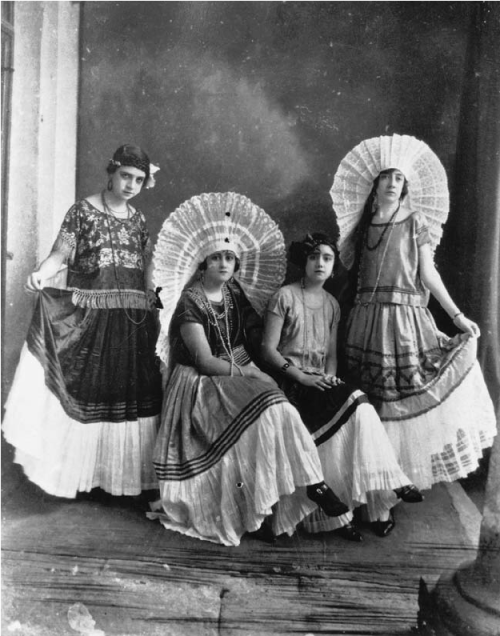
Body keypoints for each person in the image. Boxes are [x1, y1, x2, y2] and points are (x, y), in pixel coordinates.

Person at [147, 192, 349, 547]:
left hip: (239, 367)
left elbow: (256, 335)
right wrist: (254, 373)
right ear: (202, 263)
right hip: (201, 382)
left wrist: (285, 359)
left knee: (281, 408)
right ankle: (274, 502)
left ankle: (307, 488)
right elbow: (206, 361)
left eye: (229, 257)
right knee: (268, 412)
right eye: (216, 258)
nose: (224, 264)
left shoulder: (233, 293)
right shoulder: (189, 302)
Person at [330, 133, 496, 494]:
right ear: (376, 182)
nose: (393, 183)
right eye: (387, 176)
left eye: (399, 178)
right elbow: (355, 272)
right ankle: (371, 489)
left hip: (403, 320)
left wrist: (456, 317)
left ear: (406, 186)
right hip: (364, 320)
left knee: (398, 401)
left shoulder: (414, 220)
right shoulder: (363, 224)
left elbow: (427, 273)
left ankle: (394, 484)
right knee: (370, 401)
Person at [2, 144, 163, 498]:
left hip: (130, 318)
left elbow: (146, 269)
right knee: (88, 390)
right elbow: (58, 255)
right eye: (125, 176)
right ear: (111, 172)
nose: (131, 185)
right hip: (90, 318)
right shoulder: (82, 212)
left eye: (138, 179)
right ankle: (82, 479)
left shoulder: (138, 220)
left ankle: (118, 483)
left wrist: (160, 292)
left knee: (124, 395)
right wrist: (40, 275)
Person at [261, 233, 423, 540]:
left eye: (326, 258)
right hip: (290, 383)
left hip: (320, 382)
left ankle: (387, 483)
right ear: (304, 262)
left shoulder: (332, 305)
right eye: (313, 257)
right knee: (356, 402)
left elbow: (332, 354)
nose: (319, 263)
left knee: (360, 409)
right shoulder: (284, 296)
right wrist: (303, 377)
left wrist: (330, 378)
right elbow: (268, 351)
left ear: (333, 267)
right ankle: (385, 484)